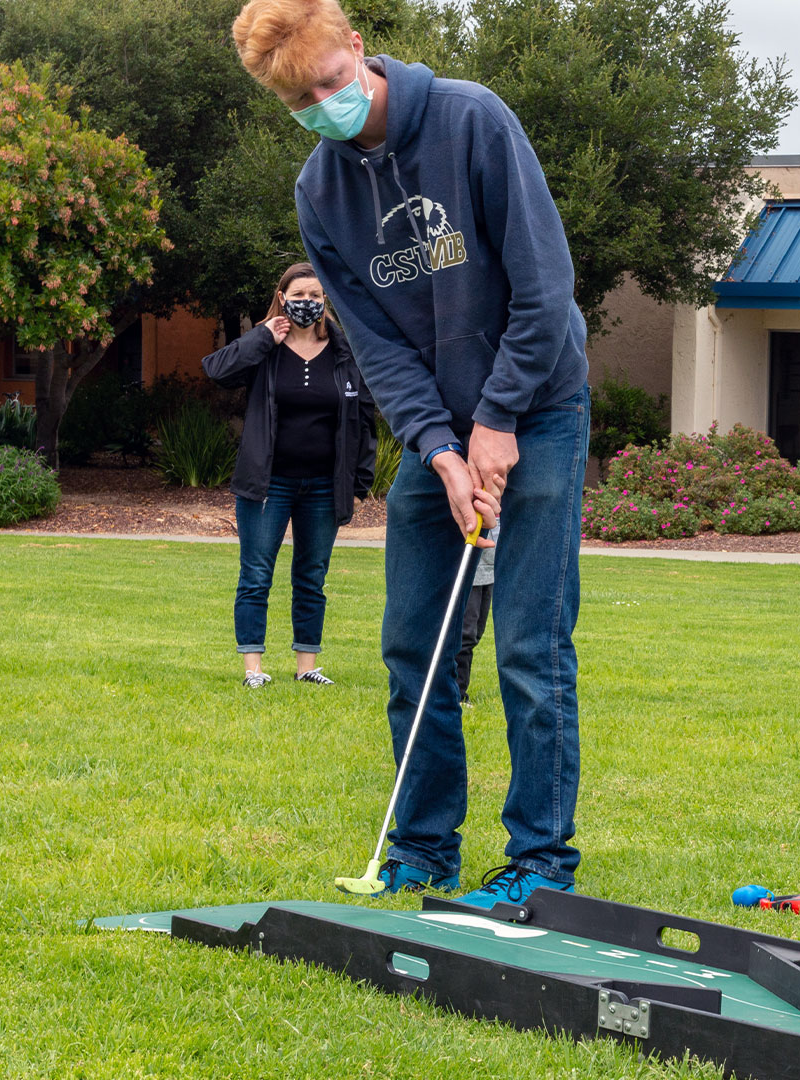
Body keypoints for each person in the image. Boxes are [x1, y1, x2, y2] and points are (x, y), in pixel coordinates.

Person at [233, 0, 591, 906]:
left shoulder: (474, 119)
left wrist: (499, 421)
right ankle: (423, 847)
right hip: (440, 431)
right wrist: (439, 449)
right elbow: (379, 347)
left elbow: (544, 290)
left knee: (529, 642)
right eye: (301, 103)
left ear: (358, 48)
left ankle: (539, 866)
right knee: (412, 645)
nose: (324, 105)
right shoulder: (322, 192)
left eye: (331, 82)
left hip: (538, 407)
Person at [202, 261, 376, 689]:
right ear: (282, 299)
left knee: (312, 575)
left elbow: (365, 419)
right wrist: (264, 335)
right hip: (267, 484)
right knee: (256, 574)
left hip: (323, 485)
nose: (308, 303)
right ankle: (254, 669)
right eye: (299, 296)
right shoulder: (264, 349)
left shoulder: (344, 350)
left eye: (316, 296)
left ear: (325, 301)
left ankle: (306, 665)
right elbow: (216, 370)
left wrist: (359, 482)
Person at [454, 526, 496, 707]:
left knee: (476, 634)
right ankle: (457, 693)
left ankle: (457, 690)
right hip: (472, 570)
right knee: (465, 635)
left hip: (491, 569)